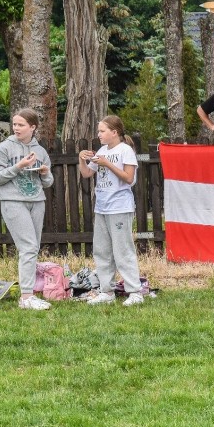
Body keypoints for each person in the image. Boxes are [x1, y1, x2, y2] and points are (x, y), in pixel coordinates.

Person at [0, 108, 54, 310]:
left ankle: (29, 294)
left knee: (33, 247)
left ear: (32, 127)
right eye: (15, 124)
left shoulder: (41, 151)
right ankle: (26, 297)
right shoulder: (3, 149)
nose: (16, 128)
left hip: (36, 201)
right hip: (12, 201)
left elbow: (48, 182)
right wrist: (18, 166)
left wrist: (44, 172)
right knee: (27, 247)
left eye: (21, 125)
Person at [78, 115, 144, 306]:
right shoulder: (101, 150)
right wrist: (82, 159)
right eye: (99, 131)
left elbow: (129, 179)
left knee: (122, 250)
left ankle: (135, 292)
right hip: (102, 207)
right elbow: (87, 173)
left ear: (114, 132)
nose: (98, 134)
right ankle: (107, 291)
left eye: (102, 131)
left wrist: (107, 164)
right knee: (102, 250)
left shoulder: (125, 151)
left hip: (119, 206)